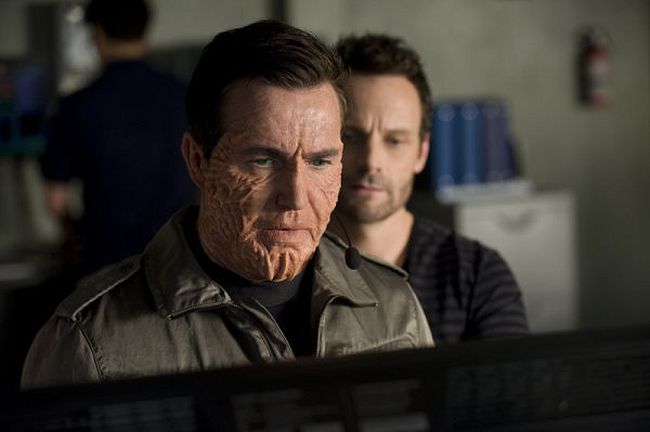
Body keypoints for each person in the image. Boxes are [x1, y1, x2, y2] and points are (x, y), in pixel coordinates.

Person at [21, 21, 434, 389]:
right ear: (197, 160)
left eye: (320, 161)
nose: (295, 197)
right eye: (263, 161)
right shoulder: (90, 344)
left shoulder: (394, 307)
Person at [329, 34, 529, 344]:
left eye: (395, 140)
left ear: (421, 153)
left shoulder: (477, 275)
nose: (371, 161)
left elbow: (509, 377)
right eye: (350, 136)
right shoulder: (285, 268)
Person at [40, 0, 196, 275]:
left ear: (97, 33)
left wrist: (73, 235)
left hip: (109, 267)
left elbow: (57, 199)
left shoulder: (77, 105)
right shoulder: (185, 97)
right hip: (181, 260)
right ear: (144, 31)